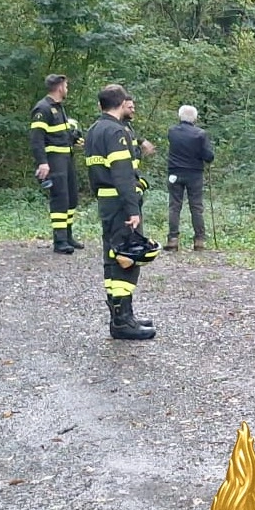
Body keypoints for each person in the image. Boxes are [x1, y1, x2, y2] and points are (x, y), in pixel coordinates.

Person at [85, 84, 158, 340]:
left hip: (106, 202)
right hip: (120, 203)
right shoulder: (116, 131)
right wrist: (132, 208)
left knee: (112, 257)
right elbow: (122, 173)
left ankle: (121, 316)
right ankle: (123, 322)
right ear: (119, 102)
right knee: (128, 258)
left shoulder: (94, 130)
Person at [29, 74, 84, 254]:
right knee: (59, 199)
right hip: (53, 160)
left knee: (71, 199)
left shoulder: (59, 108)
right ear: (60, 87)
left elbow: (58, 133)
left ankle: (68, 236)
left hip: (66, 159)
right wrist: (42, 163)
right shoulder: (42, 108)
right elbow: (37, 139)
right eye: (66, 86)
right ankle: (60, 241)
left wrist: (73, 139)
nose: (67, 89)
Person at [165, 104, 215, 251]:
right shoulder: (200, 134)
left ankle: (172, 240)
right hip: (194, 174)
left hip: (174, 172)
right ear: (195, 118)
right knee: (196, 207)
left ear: (180, 116)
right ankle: (199, 240)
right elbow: (208, 156)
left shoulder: (172, 131)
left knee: (174, 206)